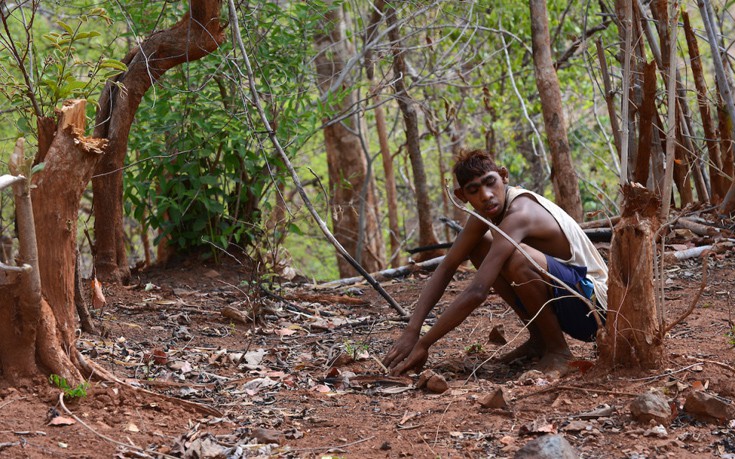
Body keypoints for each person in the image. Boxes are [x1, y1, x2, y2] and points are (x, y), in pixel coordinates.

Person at [383, 149, 607, 376]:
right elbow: (447, 266)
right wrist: (412, 330)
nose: (486, 195)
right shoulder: (486, 214)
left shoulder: (520, 212)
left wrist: (423, 344)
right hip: (570, 300)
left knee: (518, 258)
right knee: (478, 246)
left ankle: (558, 351)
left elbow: (478, 291)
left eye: (490, 183)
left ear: (503, 176)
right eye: (474, 190)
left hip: (595, 310)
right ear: (462, 196)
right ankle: (540, 341)